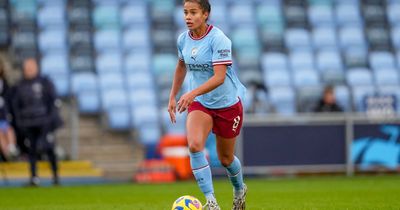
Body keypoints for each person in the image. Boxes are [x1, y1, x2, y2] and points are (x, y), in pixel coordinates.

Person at [168, 1, 247, 209]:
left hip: (227, 104)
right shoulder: (183, 39)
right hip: (201, 103)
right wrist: (172, 96)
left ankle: (239, 189)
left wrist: (191, 92)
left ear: (205, 14)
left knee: (226, 158)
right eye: (185, 12)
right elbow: (181, 66)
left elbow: (220, 77)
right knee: (194, 145)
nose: (188, 17)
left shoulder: (219, 39)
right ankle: (211, 202)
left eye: (193, 12)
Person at [12, 58, 61, 186]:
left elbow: (53, 102)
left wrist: (51, 120)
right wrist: (20, 123)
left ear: (36, 68)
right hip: (28, 124)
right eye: (27, 68)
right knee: (31, 151)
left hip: (44, 123)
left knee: (49, 148)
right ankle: (34, 177)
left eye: (31, 67)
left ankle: (55, 176)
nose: (29, 70)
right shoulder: (20, 85)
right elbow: (16, 106)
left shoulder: (45, 83)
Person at [0, 57, 18, 160]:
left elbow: (8, 96)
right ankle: (7, 154)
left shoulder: (4, 82)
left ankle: (12, 149)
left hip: (3, 112)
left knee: (8, 129)